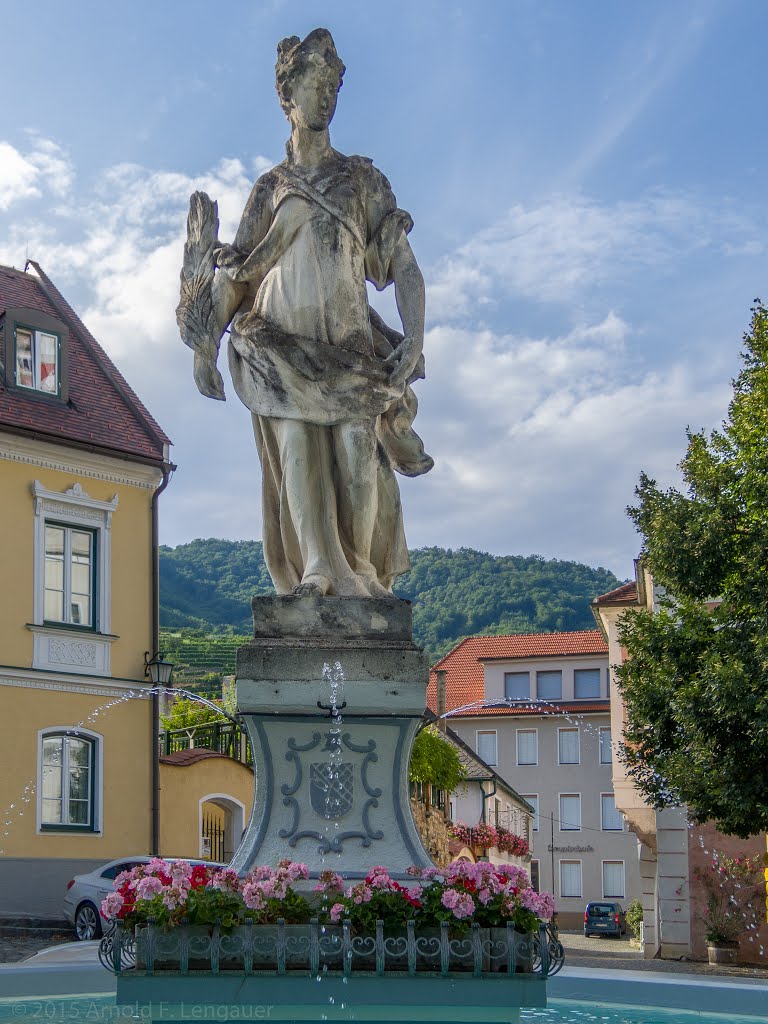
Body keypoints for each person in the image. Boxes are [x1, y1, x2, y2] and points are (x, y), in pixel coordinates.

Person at [180, 28, 432, 598]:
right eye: (316, 84)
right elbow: (238, 277)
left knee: (356, 456)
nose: (327, 97)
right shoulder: (270, 188)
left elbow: (405, 268)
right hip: (275, 343)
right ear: (287, 96)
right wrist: (204, 347)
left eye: (334, 86)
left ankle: (361, 571)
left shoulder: (361, 180)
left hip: (345, 345)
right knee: (295, 452)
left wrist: (413, 338)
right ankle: (317, 566)